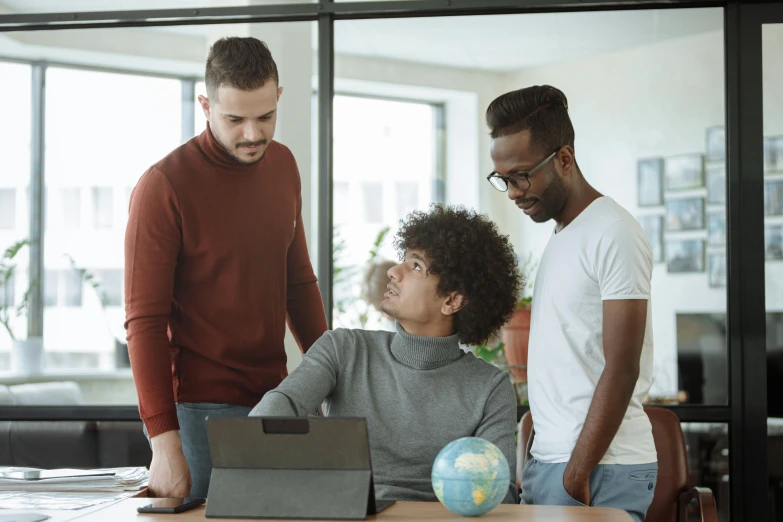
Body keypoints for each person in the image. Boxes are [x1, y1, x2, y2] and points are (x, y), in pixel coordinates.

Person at [124, 36, 328, 499]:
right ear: (206, 105)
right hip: (197, 410)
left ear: (279, 97)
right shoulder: (164, 186)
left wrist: (328, 378)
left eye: (265, 117)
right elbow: (145, 322)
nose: (253, 134)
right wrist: (163, 440)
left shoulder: (284, 166)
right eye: (235, 119)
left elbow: (298, 282)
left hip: (276, 401)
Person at [250, 204, 522, 504]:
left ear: (452, 300)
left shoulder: (489, 387)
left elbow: (499, 494)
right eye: (403, 260)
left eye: (416, 266)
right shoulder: (343, 349)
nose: (393, 271)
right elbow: (282, 404)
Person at [485, 85, 658, 522]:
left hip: (598, 469)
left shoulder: (614, 232)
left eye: (521, 176)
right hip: (555, 464)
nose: (512, 192)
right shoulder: (562, 234)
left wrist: (575, 473)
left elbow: (623, 366)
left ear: (564, 159)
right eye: (503, 179)